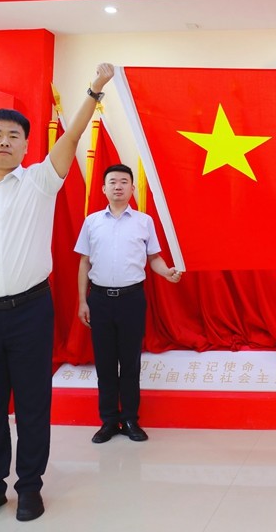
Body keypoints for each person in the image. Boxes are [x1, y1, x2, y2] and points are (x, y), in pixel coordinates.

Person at [0, 63, 115, 525]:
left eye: (14, 136)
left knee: (34, 406)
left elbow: (72, 138)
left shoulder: (39, 181)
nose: (4, 142)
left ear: (25, 145)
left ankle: (30, 488)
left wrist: (94, 90)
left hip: (30, 312)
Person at [75, 163, 181, 445]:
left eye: (124, 182)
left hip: (132, 299)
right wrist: (82, 301)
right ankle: (109, 420)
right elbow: (84, 262)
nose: (118, 186)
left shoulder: (144, 221)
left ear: (133, 188)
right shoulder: (92, 222)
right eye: (112, 182)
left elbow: (154, 258)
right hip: (99, 299)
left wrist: (167, 272)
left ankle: (131, 419)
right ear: (103, 188)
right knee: (105, 363)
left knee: (130, 362)